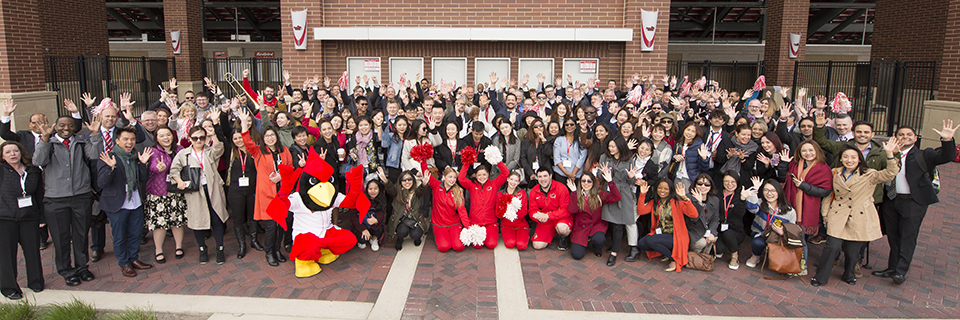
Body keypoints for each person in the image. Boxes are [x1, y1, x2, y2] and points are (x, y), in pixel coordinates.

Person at [874, 120, 957, 285]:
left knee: (908, 237)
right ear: (895, 138)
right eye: (901, 134)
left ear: (915, 138)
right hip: (891, 200)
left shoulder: (924, 154)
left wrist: (947, 140)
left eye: (908, 135)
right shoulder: (888, 153)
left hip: (913, 202)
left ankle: (901, 271)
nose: (905, 137)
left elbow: (947, 156)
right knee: (893, 236)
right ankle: (892, 267)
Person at [813, 140, 902, 286]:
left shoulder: (870, 174)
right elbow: (829, 195)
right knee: (832, 247)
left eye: (853, 157)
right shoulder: (835, 172)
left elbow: (890, 173)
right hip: (838, 212)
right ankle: (820, 277)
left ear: (860, 159)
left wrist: (890, 154)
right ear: (841, 158)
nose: (849, 160)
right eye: (846, 157)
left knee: (852, 251)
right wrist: (825, 213)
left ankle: (848, 275)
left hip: (859, 214)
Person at [34, 107, 99, 287]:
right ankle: (66, 270)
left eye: (70, 125)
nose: (66, 128)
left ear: (74, 127)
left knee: (81, 234)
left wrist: (94, 134)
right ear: (56, 126)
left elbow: (94, 156)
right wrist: (45, 139)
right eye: (62, 125)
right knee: (60, 237)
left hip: (80, 196)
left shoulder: (81, 142)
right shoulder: (49, 142)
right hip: (56, 198)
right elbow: (38, 161)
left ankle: (81, 267)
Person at [96, 126, 154, 277]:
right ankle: (124, 262)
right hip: (117, 203)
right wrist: (112, 168)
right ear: (117, 141)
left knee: (135, 233)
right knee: (120, 235)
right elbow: (101, 183)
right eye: (126, 139)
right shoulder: (108, 157)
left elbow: (143, 179)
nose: (130, 142)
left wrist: (143, 164)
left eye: (132, 139)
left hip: (135, 201)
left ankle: (134, 258)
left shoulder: (135, 156)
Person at [238, 108, 292, 266]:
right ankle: (269, 251)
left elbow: (290, 168)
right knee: (271, 226)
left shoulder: (284, 151)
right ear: (263, 138)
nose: (270, 138)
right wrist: (243, 124)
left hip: (282, 194)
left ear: (276, 136)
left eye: (272, 135)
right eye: (266, 135)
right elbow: (247, 141)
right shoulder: (258, 151)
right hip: (267, 194)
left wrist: (282, 175)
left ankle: (277, 250)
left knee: (281, 224)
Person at [171, 126, 230, 265]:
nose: (199, 140)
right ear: (190, 138)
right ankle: (202, 248)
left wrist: (213, 134)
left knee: (217, 219)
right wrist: (179, 181)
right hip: (194, 191)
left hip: (212, 189)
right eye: (195, 138)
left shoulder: (209, 151)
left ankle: (219, 248)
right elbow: (174, 170)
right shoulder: (184, 154)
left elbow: (219, 148)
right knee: (198, 221)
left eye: (202, 137)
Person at [0, 141, 44, 299]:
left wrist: (41, 217)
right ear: (2, 156)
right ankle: (9, 288)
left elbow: (39, 195)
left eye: (15, 151)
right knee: (7, 255)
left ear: (21, 152)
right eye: (8, 152)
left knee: (33, 251)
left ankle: (36, 282)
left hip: (29, 217)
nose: (13, 154)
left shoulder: (33, 171)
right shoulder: (2, 171)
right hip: (5, 219)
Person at [144, 127, 187, 263]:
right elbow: (153, 166)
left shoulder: (180, 149)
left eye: (168, 134)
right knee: (160, 223)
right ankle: (158, 250)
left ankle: (179, 246)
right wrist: (159, 168)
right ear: (156, 138)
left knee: (177, 221)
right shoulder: (153, 151)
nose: (165, 138)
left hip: (176, 191)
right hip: (159, 193)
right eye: (161, 135)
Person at [636, 179, 699, 272]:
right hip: (662, 234)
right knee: (642, 243)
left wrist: (685, 198)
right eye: (660, 188)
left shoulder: (677, 202)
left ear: (671, 190)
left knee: (650, 241)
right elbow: (641, 211)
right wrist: (642, 194)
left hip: (676, 236)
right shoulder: (655, 202)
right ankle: (669, 251)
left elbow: (694, 214)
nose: (662, 191)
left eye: (666, 189)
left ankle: (674, 259)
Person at [599, 139, 639, 265]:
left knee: (619, 223)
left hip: (623, 193)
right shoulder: (604, 157)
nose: (611, 149)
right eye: (609, 146)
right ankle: (614, 245)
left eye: (614, 146)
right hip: (609, 190)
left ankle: (614, 253)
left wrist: (632, 178)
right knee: (610, 220)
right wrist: (603, 173)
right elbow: (600, 176)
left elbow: (630, 181)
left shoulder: (629, 159)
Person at [569, 165, 621, 262]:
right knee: (577, 255)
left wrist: (610, 181)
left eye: (589, 181)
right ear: (580, 182)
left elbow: (617, 198)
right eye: (583, 181)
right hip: (581, 227)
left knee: (599, 239)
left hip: (596, 225)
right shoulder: (577, 193)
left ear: (593, 183)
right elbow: (572, 210)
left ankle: (597, 248)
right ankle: (584, 240)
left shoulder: (599, 194)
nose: (586, 183)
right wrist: (574, 193)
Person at [784, 140, 832, 245]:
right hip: (792, 202)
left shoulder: (823, 168)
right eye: (804, 150)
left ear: (817, 151)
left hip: (809, 208)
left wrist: (803, 186)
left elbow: (826, 191)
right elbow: (785, 180)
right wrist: (784, 163)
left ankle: (802, 261)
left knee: (801, 238)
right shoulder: (794, 164)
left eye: (811, 150)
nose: (807, 153)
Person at [743, 178, 797, 269]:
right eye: (766, 190)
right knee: (757, 243)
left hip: (778, 239)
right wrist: (755, 188)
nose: (769, 193)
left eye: (773, 190)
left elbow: (793, 231)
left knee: (776, 259)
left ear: (779, 192)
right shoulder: (760, 204)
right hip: (761, 235)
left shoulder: (789, 211)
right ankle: (756, 256)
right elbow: (751, 207)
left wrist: (782, 232)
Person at [226, 128, 263, 258]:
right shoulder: (230, 152)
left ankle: (254, 240)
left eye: (240, 138)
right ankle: (242, 245)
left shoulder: (253, 152)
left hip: (252, 189)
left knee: (253, 216)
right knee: (238, 219)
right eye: (235, 139)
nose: (238, 141)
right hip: (236, 191)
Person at [459, 159, 509, 249]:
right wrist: (467, 163)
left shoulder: (494, 184)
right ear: (475, 176)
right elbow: (461, 179)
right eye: (479, 175)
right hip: (475, 222)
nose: (482, 177)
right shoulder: (472, 186)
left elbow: (505, 173)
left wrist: (496, 160)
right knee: (477, 246)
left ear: (488, 175)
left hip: (490, 222)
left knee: (491, 245)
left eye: (484, 174)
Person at [424, 167, 471, 252]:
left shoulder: (458, 191)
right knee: (444, 247)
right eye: (450, 177)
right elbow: (426, 171)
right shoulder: (436, 185)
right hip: (439, 224)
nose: (452, 180)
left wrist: (468, 227)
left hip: (454, 223)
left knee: (459, 247)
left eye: (454, 177)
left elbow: (462, 210)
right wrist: (422, 159)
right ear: (444, 176)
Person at [381, 169, 430, 250]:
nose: (407, 182)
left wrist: (424, 184)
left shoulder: (415, 192)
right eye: (404, 180)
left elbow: (421, 190)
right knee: (402, 231)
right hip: (401, 220)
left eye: (409, 179)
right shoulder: (397, 191)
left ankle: (417, 238)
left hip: (414, 219)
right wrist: (385, 181)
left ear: (413, 180)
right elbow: (390, 189)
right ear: (400, 182)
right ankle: (400, 239)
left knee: (416, 234)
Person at [530, 168, 572, 251]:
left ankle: (563, 237)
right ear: (537, 178)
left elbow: (565, 210)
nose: (543, 179)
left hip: (561, 218)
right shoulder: (534, 191)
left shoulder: (561, 188)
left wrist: (548, 216)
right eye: (540, 177)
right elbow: (532, 210)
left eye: (545, 176)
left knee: (562, 228)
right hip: (545, 220)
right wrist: (537, 217)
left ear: (550, 176)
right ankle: (551, 233)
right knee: (537, 245)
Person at [715, 171, 747, 269]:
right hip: (719, 229)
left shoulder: (739, 195)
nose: (729, 184)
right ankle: (723, 246)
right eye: (727, 181)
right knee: (719, 249)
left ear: (737, 182)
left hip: (735, 231)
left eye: (733, 182)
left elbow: (739, 215)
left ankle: (734, 256)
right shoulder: (717, 194)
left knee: (727, 233)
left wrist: (742, 200)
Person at [346, 180, 387, 251]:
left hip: (373, 224)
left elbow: (382, 212)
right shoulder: (360, 198)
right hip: (362, 224)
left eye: (375, 188)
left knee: (380, 228)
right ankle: (363, 239)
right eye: (370, 189)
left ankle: (374, 239)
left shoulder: (381, 199)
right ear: (367, 189)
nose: (373, 191)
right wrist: (363, 229)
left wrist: (376, 219)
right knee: (362, 241)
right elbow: (353, 215)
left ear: (379, 189)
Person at [687, 174, 720, 256]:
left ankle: (704, 257)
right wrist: (699, 203)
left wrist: (712, 232)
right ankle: (693, 257)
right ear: (695, 184)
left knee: (714, 238)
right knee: (701, 243)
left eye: (707, 184)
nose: (703, 186)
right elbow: (693, 219)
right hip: (693, 231)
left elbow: (715, 219)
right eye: (700, 183)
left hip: (706, 230)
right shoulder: (688, 198)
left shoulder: (715, 200)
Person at [498, 172, 529, 250]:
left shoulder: (522, 193)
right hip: (506, 224)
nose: (513, 182)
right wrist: (504, 210)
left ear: (518, 182)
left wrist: (513, 209)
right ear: (508, 179)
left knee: (521, 246)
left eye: (516, 181)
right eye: (511, 179)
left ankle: (523, 235)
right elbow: (498, 214)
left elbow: (524, 212)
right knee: (510, 244)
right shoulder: (500, 194)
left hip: (520, 225)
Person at [553, 119, 587, 185]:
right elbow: (556, 158)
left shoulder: (580, 139)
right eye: (567, 124)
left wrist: (573, 173)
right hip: (561, 173)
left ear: (576, 126)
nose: (569, 126)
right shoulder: (559, 139)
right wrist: (566, 173)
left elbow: (582, 157)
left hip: (576, 174)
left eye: (572, 124)